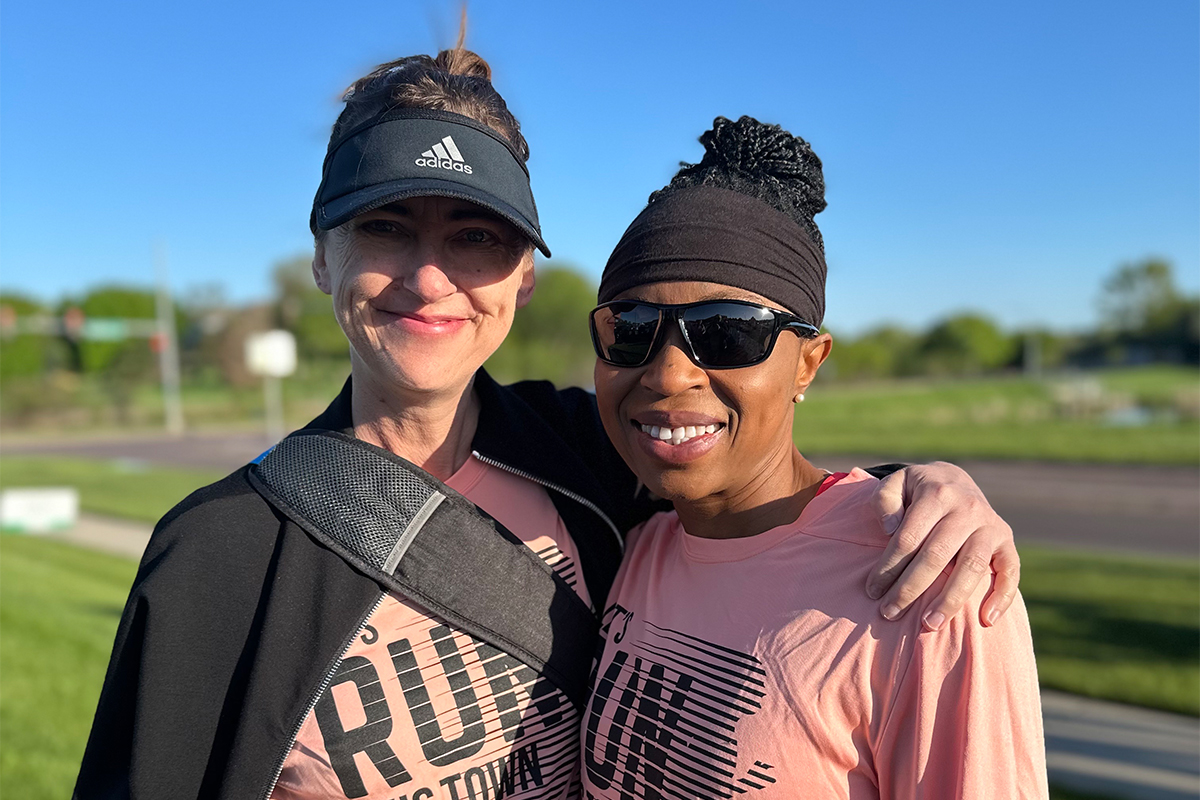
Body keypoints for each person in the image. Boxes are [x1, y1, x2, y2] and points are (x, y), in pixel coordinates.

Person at [73, 40, 1022, 800]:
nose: (429, 276)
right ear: (323, 259)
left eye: (476, 237)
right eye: (385, 226)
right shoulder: (215, 550)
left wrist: (926, 484)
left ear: (524, 281)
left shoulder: (590, 461)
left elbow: (756, 487)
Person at [582, 116, 1047, 799]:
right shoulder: (629, 539)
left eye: (726, 333)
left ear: (808, 363)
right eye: (631, 330)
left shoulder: (930, 585)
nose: (667, 373)